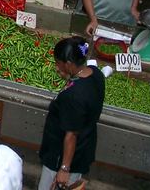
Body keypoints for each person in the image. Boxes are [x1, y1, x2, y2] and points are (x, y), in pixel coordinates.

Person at [38, 37, 105, 190]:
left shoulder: (73, 97)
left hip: (63, 156)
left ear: (68, 64)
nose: (56, 67)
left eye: (58, 63)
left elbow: (71, 135)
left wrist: (64, 168)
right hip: (84, 147)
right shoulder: (96, 74)